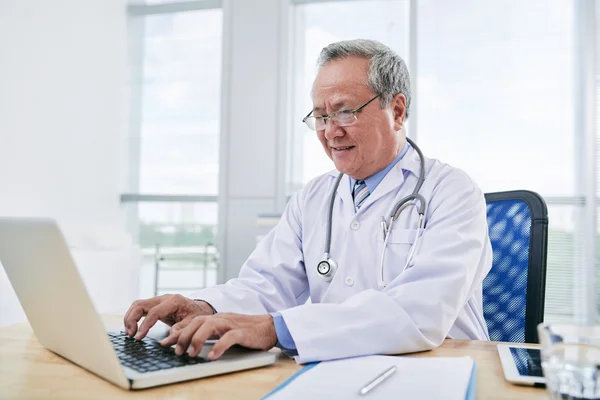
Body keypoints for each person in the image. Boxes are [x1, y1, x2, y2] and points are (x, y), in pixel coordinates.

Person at [124, 39, 492, 364]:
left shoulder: (453, 192)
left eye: (345, 111)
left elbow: (421, 311)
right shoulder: (314, 197)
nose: (331, 131)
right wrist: (202, 308)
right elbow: (266, 285)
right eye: (320, 116)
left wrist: (276, 329)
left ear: (396, 110)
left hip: (441, 368)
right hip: (339, 367)